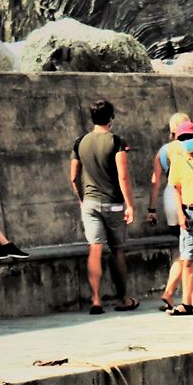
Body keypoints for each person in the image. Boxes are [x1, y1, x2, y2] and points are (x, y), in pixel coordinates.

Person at [70, 98, 136, 313]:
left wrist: (82, 199)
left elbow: (73, 177)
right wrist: (130, 204)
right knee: (117, 251)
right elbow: (123, 176)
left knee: (95, 250)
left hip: (89, 203)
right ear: (111, 118)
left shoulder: (80, 142)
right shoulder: (116, 141)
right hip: (114, 204)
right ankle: (123, 299)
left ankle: (96, 300)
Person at [154, 113, 193, 314]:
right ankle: (177, 292)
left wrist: (152, 208)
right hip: (186, 196)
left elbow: (156, 180)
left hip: (172, 196)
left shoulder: (165, 150)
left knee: (186, 248)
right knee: (187, 251)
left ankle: (187, 294)